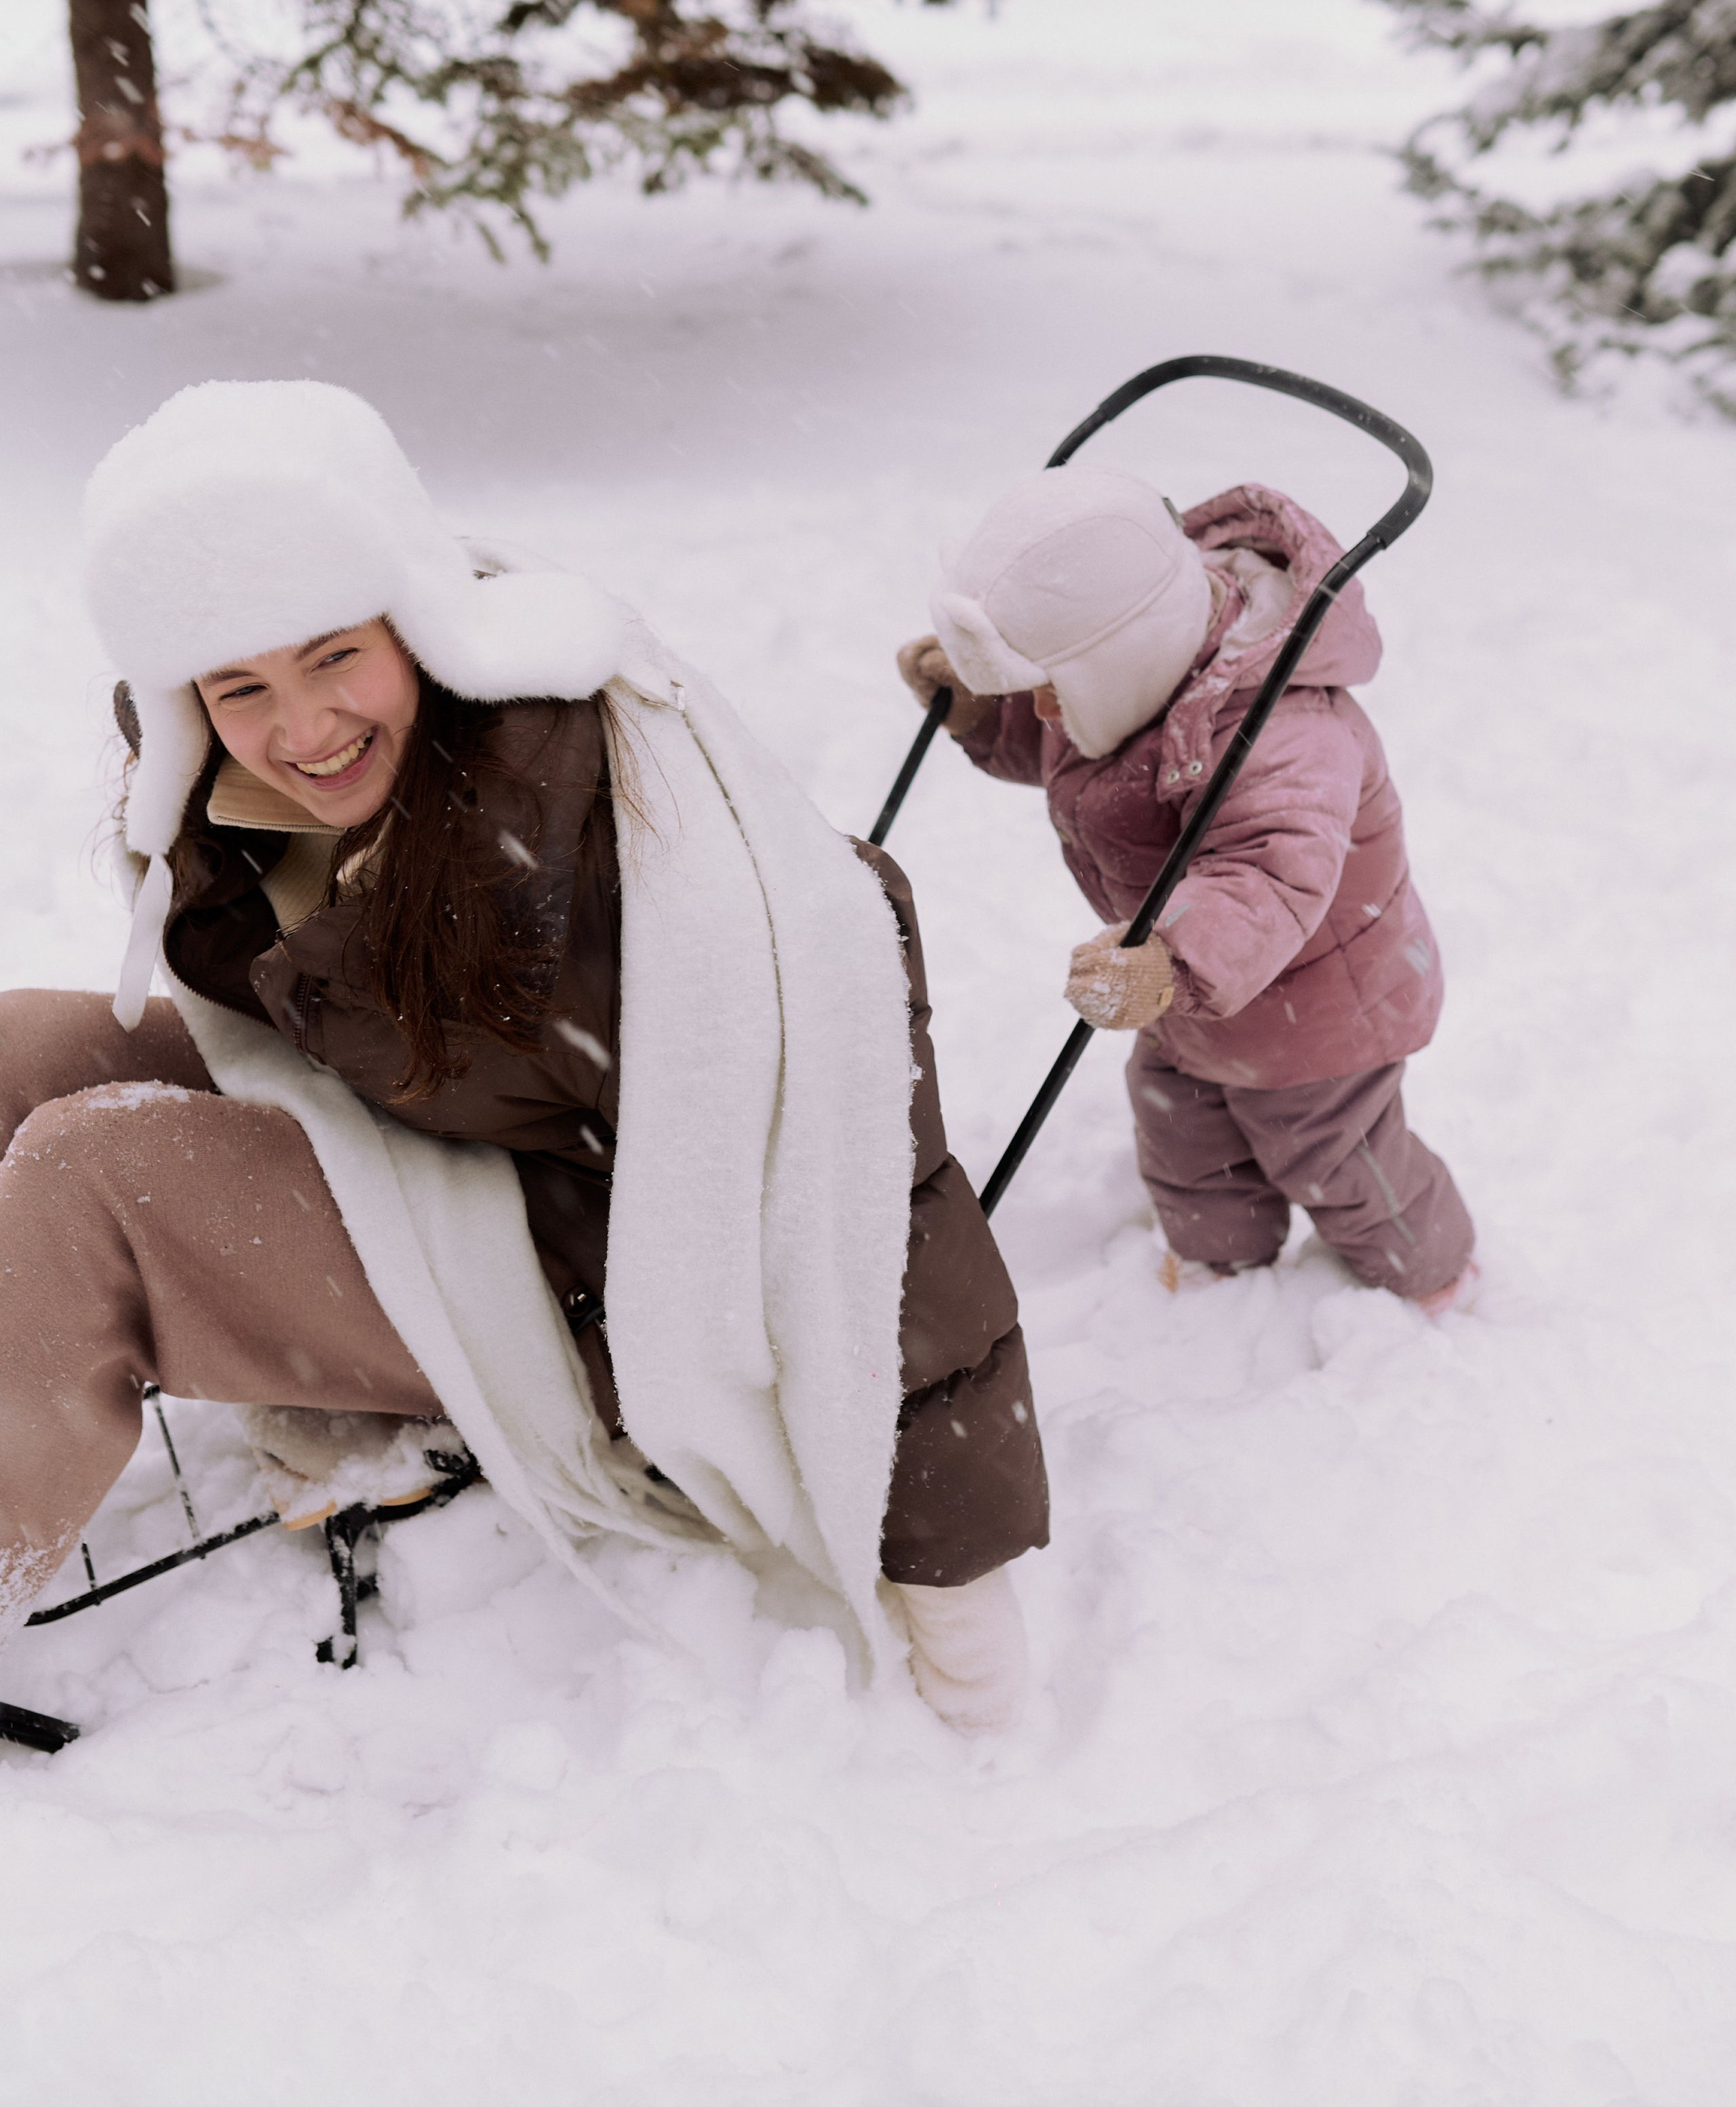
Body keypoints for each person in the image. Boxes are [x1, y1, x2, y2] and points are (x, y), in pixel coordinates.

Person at [0, 380, 1047, 1736]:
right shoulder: (234, 791)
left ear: (418, 624)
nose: (300, 728)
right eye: (239, 685)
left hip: (595, 1303)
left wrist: (953, 1572)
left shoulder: (632, 875)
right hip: (433, 1148)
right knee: (21, 1045)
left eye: (333, 656)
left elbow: (870, 1208)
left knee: (89, 1184)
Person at [897, 466, 1476, 1310]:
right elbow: (1086, 756)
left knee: (1328, 1146)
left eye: (1046, 689)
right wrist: (981, 716)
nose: (1045, 710)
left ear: (1120, 658)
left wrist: (1169, 957)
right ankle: (1222, 1269)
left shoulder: (1288, 731)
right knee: (1179, 1117)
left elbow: (1267, 873)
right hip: (1196, 986)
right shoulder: (1132, 674)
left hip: (1317, 1006)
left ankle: (1431, 1271)